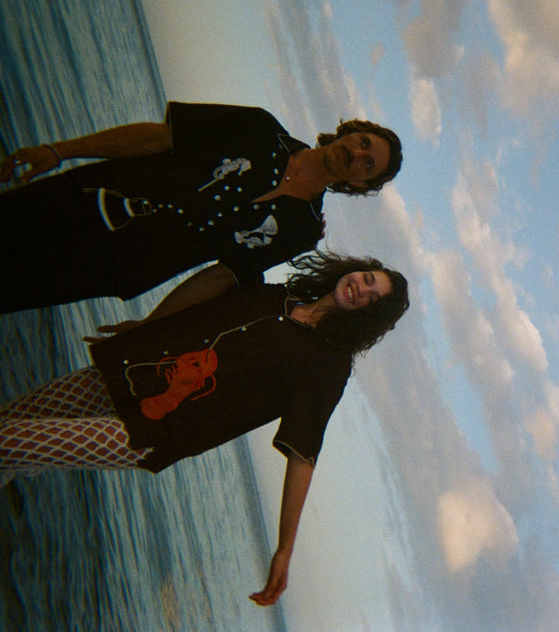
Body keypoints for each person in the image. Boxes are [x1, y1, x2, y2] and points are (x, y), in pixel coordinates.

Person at [0, 250, 410, 606]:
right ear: (356, 269)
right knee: (11, 426)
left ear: (367, 316)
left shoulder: (328, 366)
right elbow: (207, 289)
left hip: (150, 432)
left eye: (372, 298)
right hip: (126, 372)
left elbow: (305, 451)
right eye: (368, 278)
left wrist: (285, 547)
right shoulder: (275, 294)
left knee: (10, 442)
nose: (362, 288)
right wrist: (145, 323)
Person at [0, 102, 403, 316]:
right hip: (89, 197)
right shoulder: (260, 128)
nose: (357, 153)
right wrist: (60, 151)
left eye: (369, 165)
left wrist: (148, 326)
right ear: (352, 131)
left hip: (117, 266)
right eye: (364, 142)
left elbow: (222, 275)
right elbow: (159, 138)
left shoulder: (302, 229)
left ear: (360, 185)